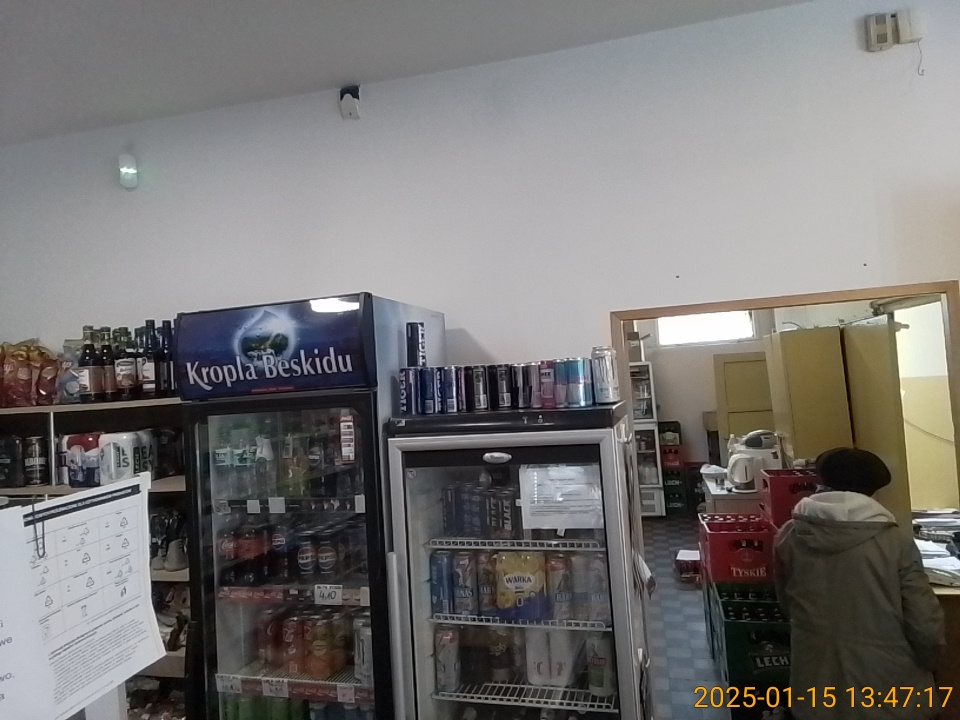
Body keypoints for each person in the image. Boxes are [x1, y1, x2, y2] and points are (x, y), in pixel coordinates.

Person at [774, 447, 946, 719]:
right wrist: (932, 661)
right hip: (886, 686)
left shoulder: (790, 535)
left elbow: (786, 603)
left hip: (815, 678)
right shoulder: (894, 542)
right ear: (873, 491)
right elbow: (923, 623)